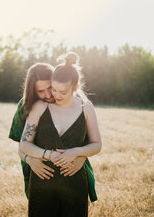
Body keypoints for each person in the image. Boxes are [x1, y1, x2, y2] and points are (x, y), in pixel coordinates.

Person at [20, 53, 102, 217]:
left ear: (76, 88)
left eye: (62, 92)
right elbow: (24, 144)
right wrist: (48, 155)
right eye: (54, 89)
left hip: (75, 183)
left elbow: (97, 145)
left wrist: (77, 152)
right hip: (42, 183)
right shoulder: (40, 107)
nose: (55, 95)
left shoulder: (86, 108)